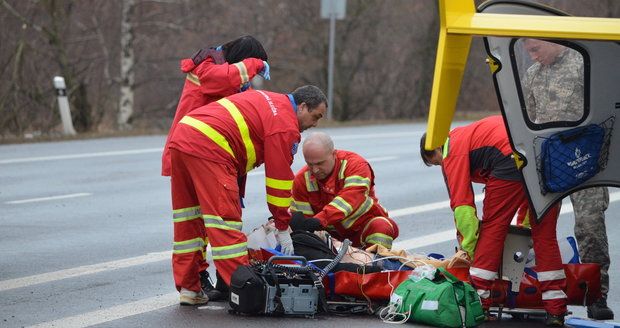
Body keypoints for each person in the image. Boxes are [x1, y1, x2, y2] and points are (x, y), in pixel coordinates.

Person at [168, 85, 327, 305]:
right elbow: (278, 180)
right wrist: (282, 225)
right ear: (302, 107)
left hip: (183, 136)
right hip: (211, 147)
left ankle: (190, 288)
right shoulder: (285, 126)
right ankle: (246, 289)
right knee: (225, 223)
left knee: (189, 219)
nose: (314, 124)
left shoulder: (269, 99)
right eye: (315, 116)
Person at [420, 116, 567, 327]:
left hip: (510, 157)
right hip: (547, 157)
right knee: (545, 236)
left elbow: (463, 207)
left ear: (435, 150)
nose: (441, 166)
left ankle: (478, 301)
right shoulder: (470, 135)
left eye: (436, 163)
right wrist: (524, 229)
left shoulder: (451, 149)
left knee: (493, 229)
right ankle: (556, 310)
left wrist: (467, 251)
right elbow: (526, 196)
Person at [161, 35, 269, 301]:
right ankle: (234, 284)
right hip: (205, 153)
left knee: (193, 221)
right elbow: (222, 80)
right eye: (248, 69)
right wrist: (255, 64)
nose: (248, 77)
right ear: (242, 60)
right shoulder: (209, 66)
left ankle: (195, 284)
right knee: (217, 219)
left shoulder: (227, 75)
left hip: (195, 151)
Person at [522, 38, 613, 320]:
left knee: (590, 225)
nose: (534, 57)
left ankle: (596, 296)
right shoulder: (532, 75)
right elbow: (528, 118)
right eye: (529, 53)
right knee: (536, 224)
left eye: (536, 50)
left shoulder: (583, 64)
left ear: (551, 41)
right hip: (549, 162)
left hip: (584, 159)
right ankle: (530, 289)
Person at [289, 132, 399, 250]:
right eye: (310, 164)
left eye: (320, 163)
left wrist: (320, 220)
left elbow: (351, 198)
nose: (315, 170)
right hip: (330, 237)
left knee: (381, 227)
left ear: (334, 154)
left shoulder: (356, 165)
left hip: (362, 228)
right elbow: (304, 222)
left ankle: (377, 263)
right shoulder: (301, 180)